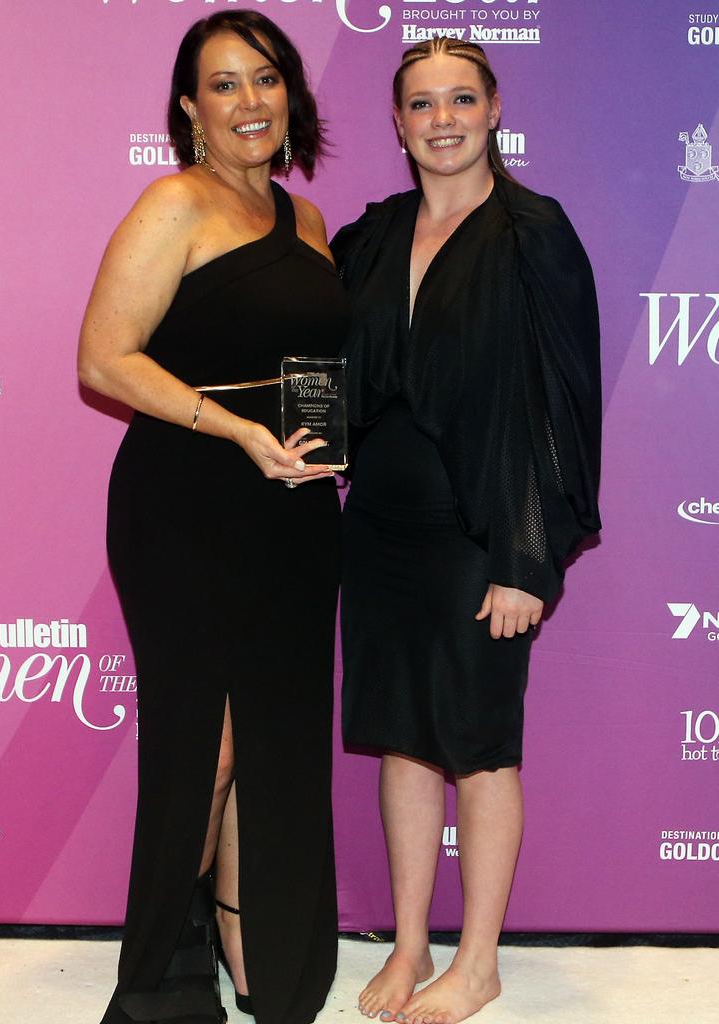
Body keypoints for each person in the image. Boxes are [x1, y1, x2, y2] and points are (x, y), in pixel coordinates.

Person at [78, 12, 347, 1024]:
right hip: (187, 505)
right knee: (210, 745)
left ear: (291, 97)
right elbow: (104, 358)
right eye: (223, 85)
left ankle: (254, 948)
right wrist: (236, 430)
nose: (249, 102)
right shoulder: (174, 204)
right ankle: (159, 977)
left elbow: (316, 371)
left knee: (274, 738)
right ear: (190, 109)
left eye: (265, 80)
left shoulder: (309, 222)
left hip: (292, 513)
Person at [331, 39, 601, 1024]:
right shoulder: (369, 235)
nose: (441, 118)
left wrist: (524, 556)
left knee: (482, 746)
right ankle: (410, 945)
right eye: (420, 103)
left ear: (493, 109)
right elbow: (321, 371)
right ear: (397, 123)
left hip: (479, 532)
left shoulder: (533, 233)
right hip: (379, 530)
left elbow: (560, 405)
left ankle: (477, 961)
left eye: (460, 99)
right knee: (403, 738)